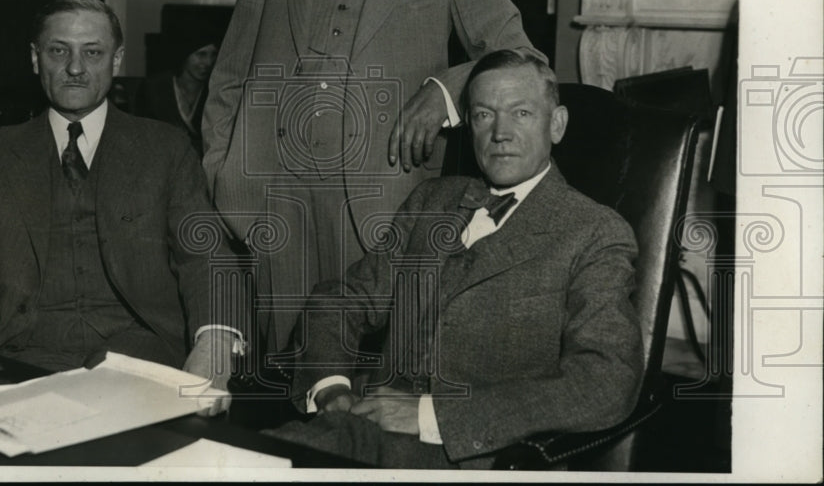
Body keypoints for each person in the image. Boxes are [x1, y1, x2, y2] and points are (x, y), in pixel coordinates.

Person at [202, 0, 540, 354]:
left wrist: (445, 93)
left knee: (366, 394)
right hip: (275, 210)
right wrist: (225, 177)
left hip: (384, 214)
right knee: (288, 380)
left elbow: (521, 55)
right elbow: (228, 80)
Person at [267, 49, 643, 468]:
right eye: (484, 115)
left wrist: (432, 416)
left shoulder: (594, 232)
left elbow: (607, 380)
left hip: (476, 457)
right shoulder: (433, 200)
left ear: (556, 125)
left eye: (520, 113)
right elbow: (342, 300)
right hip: (357, 427)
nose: (500, 132)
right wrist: (330, 387)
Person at [0, 0, 241, 414]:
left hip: (136, 361)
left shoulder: (166, 150)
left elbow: (208, 257)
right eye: (58, 51)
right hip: (16, 365)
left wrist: (215, 345)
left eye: (92, 52)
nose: (75, 68)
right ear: (36, 59)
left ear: (117, 59)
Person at [136, 24, 221, 154]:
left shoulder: (215, 91)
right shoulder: (155, 89)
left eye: (213, 55)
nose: (209, 62)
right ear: (185, 55)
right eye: (201, 54)